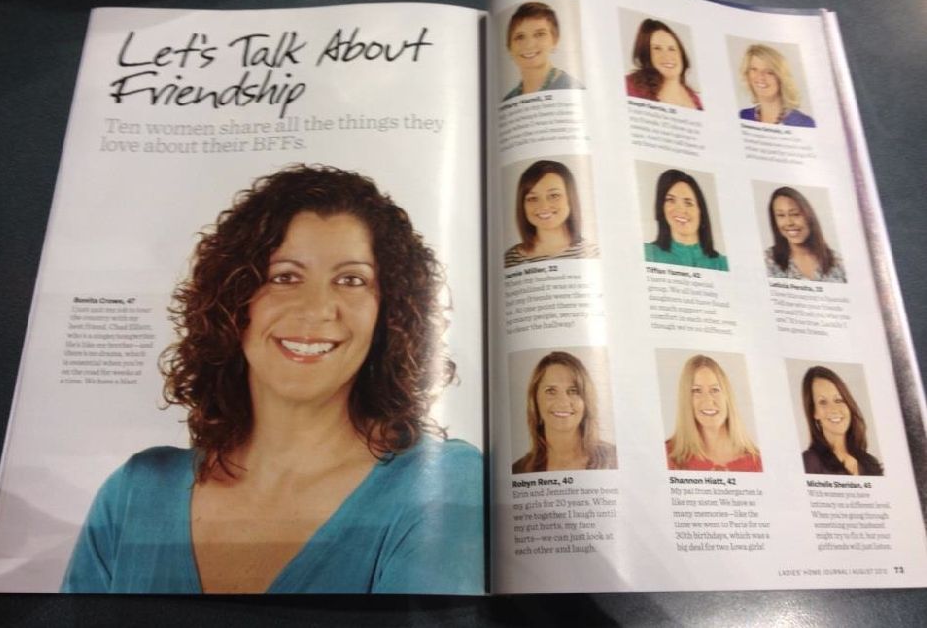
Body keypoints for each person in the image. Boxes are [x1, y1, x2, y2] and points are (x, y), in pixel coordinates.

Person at [62, 164, 483, 594]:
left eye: (351, 280)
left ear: (388, 314)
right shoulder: (134, 493)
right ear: (234, 302)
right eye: (285, 277)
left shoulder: (440, 481)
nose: (316, 308)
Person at [512, 351, 617, 473]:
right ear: (535, 400)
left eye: (573, 391)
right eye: (551, 391)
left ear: (586, 401)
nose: (563, 402)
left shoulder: (613, 459)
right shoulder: (519, 469)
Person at [665, 355, 762, 472]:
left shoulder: (758, 462)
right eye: (696, 390)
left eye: (715, 390)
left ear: (727, 396)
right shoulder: (667, 457)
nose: (708, 401)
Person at [504, 159, 600, 267]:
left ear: (570, 198)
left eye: (554, 196)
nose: (544, 206)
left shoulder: (591, 253)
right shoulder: (510, 259)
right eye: (533, 198)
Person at [801, 366, 883, 476]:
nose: (834, 409)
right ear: (814, 412)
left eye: (838, 400)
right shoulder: (809, 462)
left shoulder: (871, 463)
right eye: (823, 402)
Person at [643, 169, 728, 271]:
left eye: (688, 203)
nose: (680, 210)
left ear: (700, 210)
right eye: (671, 200)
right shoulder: (647, 254)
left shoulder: (722, 264)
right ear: (661, 207)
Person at [503, 1, 584, 101]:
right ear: (509, 47)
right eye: (520, 37)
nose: (529, 45)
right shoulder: (509, 99)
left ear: (555, 40)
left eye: (539, 34)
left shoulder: (572, 90)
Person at [765, 186, 846, 282]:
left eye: (795, 214)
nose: (789, 222)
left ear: (809, 217)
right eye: (781, 215)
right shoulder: (767, 260)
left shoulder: (838, 262)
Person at [625, 18, 702, 110]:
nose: (667, 56)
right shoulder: (629, 87)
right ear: (645, 54)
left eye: (672, 49)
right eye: (657, 48)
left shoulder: (695, 99)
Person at [738, 44, 815, 127]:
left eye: (769, 72)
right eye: (754, 69)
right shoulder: (743, 116)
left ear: (781, 78)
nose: (760, 77)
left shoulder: (804, 123)